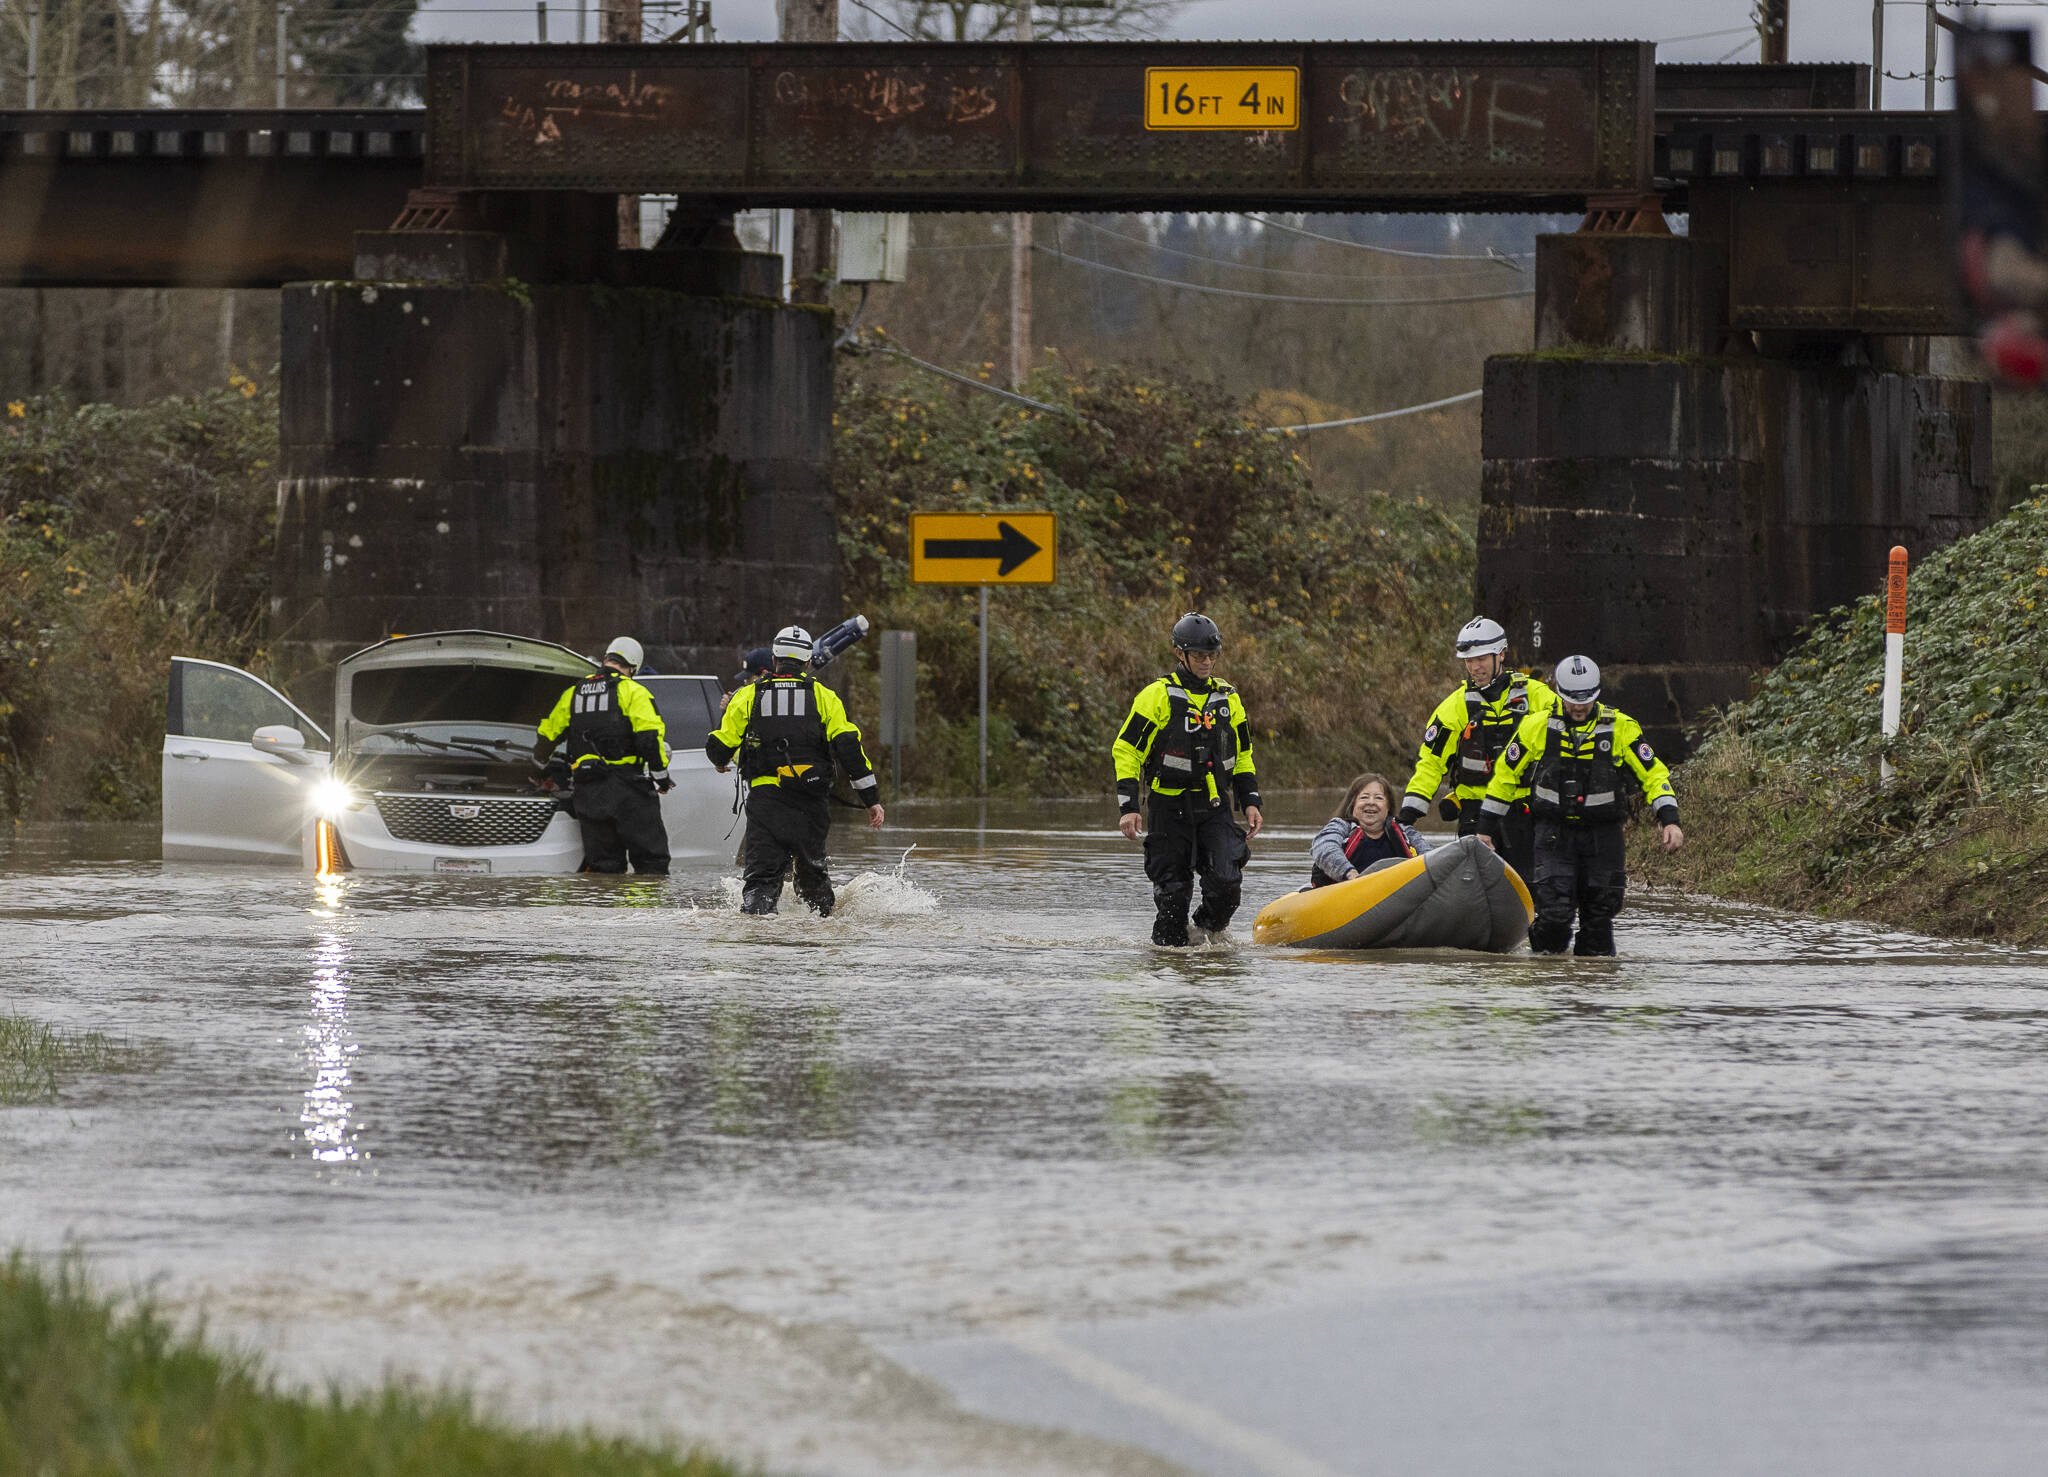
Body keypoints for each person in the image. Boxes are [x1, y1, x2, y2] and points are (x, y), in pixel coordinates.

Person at [1478, 654, 1684, 956]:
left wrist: (1670, 820)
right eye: (1572, 698)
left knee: (1599, 919)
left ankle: (1594, 990)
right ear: (1559, 693)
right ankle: (1549, 984)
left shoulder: (1621, 728)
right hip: (1552, 835)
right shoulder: (1535, 727)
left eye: (1586, 699)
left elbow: (1653, 774)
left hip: (1604, 838)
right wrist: (1485, 828)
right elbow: (1504, 777)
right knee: (1555, 917)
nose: (1578, 705)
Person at [706, 624, 884, 916]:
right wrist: (871, 800)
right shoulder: (824, 697)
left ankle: (757, 944)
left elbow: (719, 747)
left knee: (761, 881)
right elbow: (850, 748)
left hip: (765, 803)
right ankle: (818, 939)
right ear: (806, 661)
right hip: (810, 803)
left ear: (774, 659)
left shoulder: (748, 696)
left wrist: (721, 759)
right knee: (813, 877)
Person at [1112, 612, 1265, 947]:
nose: (1207, 662)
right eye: (1199, 656)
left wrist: (1250, 800)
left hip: (1213, 805)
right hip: (1169, 805)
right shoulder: (1157, 696)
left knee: (1227, 881)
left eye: (1212, 656)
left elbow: (1242, 755)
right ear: (1179, 653)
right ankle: (1170, 961)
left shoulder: (1228, 697)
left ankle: (1207, 931)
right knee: (1172, 896)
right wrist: (1128, 805)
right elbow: (1126, 750)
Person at [1399, 616, 1556, 883]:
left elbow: (1567, 739)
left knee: (1531, 885)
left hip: (1524, 811)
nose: (1475, 667)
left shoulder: (1537, 696)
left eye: (1481, 659)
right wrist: (1408, 814)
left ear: (1501, 655)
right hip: (1475, 813)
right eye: (1469, 661)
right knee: (1476, 887)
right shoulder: (1455, 706)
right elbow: (1431, 763)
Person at [533, 635, 673, 875]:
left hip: (588, 792)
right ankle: (648, 913)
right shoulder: (633, 691)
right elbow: (650, 738)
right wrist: (661, 777)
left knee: (604, 868)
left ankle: (606, 911)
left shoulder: (573, 693)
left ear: (607, 658)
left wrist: (541, 771)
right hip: (629, 789)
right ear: (633, 666)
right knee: (652, 864)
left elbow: (546, 738)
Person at [1309, 772, 1421, 888]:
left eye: (1378, 798)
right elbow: (1324, 848)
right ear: (1353, 805)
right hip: (1341, 893)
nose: (1371, 802)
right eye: (1364, 797)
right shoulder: (1340, 826)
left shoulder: (1405, 832)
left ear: (1388, 807)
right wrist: (1350, 874)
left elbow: (1430, 857)